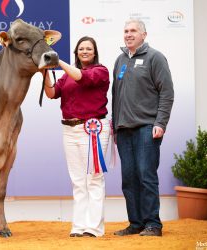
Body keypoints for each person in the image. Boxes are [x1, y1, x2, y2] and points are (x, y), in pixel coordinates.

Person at [111, 19, 174, 237]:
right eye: (126, 30)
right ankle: (136, 223)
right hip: (123, 130)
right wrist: (115, 125)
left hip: (147, 128)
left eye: (133, 31)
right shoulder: (120, 60)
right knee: (129, 179)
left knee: (146, 176)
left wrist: (160, 123)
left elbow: (166, 93)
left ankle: (153, 224)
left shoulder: (155, 57)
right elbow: (116, 97)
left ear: (144, 35)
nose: (128, 34)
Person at [44, 36, 110, 237]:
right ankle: (79, 226)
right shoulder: (66, 76)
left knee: (93, 179)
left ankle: (94, 228)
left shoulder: (101, 71)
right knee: (78, 180)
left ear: (95, 51)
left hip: (94, 129)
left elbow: (82, 77)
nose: (85, 51)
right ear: (77, 52)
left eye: (89, 48)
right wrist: (45, 72)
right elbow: (51, 93)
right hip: (70, 129)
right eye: (81, 48)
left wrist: (57, 61)